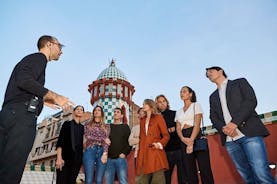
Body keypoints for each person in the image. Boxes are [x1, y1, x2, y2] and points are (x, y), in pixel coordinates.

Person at [0, 35, 73, 184]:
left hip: (11, 114)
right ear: (49, 44)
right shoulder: (39, 59)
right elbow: (24, 80)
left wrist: (42, 99)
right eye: (60, 46)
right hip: (21, 118)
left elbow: (23, 84)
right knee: (11, 170)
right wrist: (54, 96)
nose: (61, 51)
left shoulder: (31, 60)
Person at [206, 66, 276, 184]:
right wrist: (224, 129)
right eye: (207, 73)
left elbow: (250, 101)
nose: (208, 74)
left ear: (220, 71)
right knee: (247, 177)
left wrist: (234, 123)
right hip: (230, 140)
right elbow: (213, 117)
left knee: (261, 173)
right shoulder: (212, 96)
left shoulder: (239, 83)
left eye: (210, 71)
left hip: (250, 134)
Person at [175, 86, 214, 184]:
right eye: (180, 92)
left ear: (190, 94)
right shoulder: (178, 111)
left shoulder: (196, 105)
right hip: (183, 138)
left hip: (195, 135)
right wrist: (183, 139)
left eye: (184, 91)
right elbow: (178, 128)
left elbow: (197, 124)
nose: (181, 93)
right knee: (189, 171)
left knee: (204, 168)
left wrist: (191, 141)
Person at [155, 95, 188, 184]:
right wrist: (170, 130)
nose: (162, 103)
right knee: (166, 178)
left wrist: (168, 130)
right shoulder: (156, 118)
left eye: (163, 101)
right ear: (156, 105)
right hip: (165, 152)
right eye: (159, 102)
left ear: (167, 102)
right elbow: (157, 134)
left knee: (183, 177)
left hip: (179, 149)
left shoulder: (175, 113)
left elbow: (180, 128)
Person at [136, 99, 169, 184]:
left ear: (150, 105)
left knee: (158, 180)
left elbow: (166, 135)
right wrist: (139, 153)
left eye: (144, 104)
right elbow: (141, 138)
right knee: (140, 180)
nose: (143, 106)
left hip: (155, 152)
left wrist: (159, 144)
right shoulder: (142, 120)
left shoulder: (159, 118)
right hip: (143, 154)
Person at [55, 105, 90, 184]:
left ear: (83, 113)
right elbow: (60, 141)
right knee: (61, 181)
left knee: (71, 181)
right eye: (77, 109)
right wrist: (59, 158)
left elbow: (83, 144)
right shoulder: (67, 124)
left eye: (81, 110)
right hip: (65, 158)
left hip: (77, 160)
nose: (79, 110)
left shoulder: (83, 128)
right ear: (74, 112)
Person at [83, 105, 110, 184]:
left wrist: (105, 153)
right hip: (90, 150)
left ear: (101, 113)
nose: (96, 111)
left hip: (102, 151)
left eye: (99, 110)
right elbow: (88, 136)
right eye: (95, 110)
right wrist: (103, 138)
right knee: (88, 180)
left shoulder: (107, 126)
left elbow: (107, 141)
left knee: (99, 180)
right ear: (93, 113)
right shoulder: (87, 124)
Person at [105, 107, 132, 184]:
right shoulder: (108, 127)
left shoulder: (125, 127)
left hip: (121, 159)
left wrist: (124, 153)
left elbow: (129, 143)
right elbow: (103, 139)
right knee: (108, 182)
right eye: (115, 112)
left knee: (123, 181)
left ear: (122, 116)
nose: (116, 113)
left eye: (118, 112)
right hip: (109, 159)